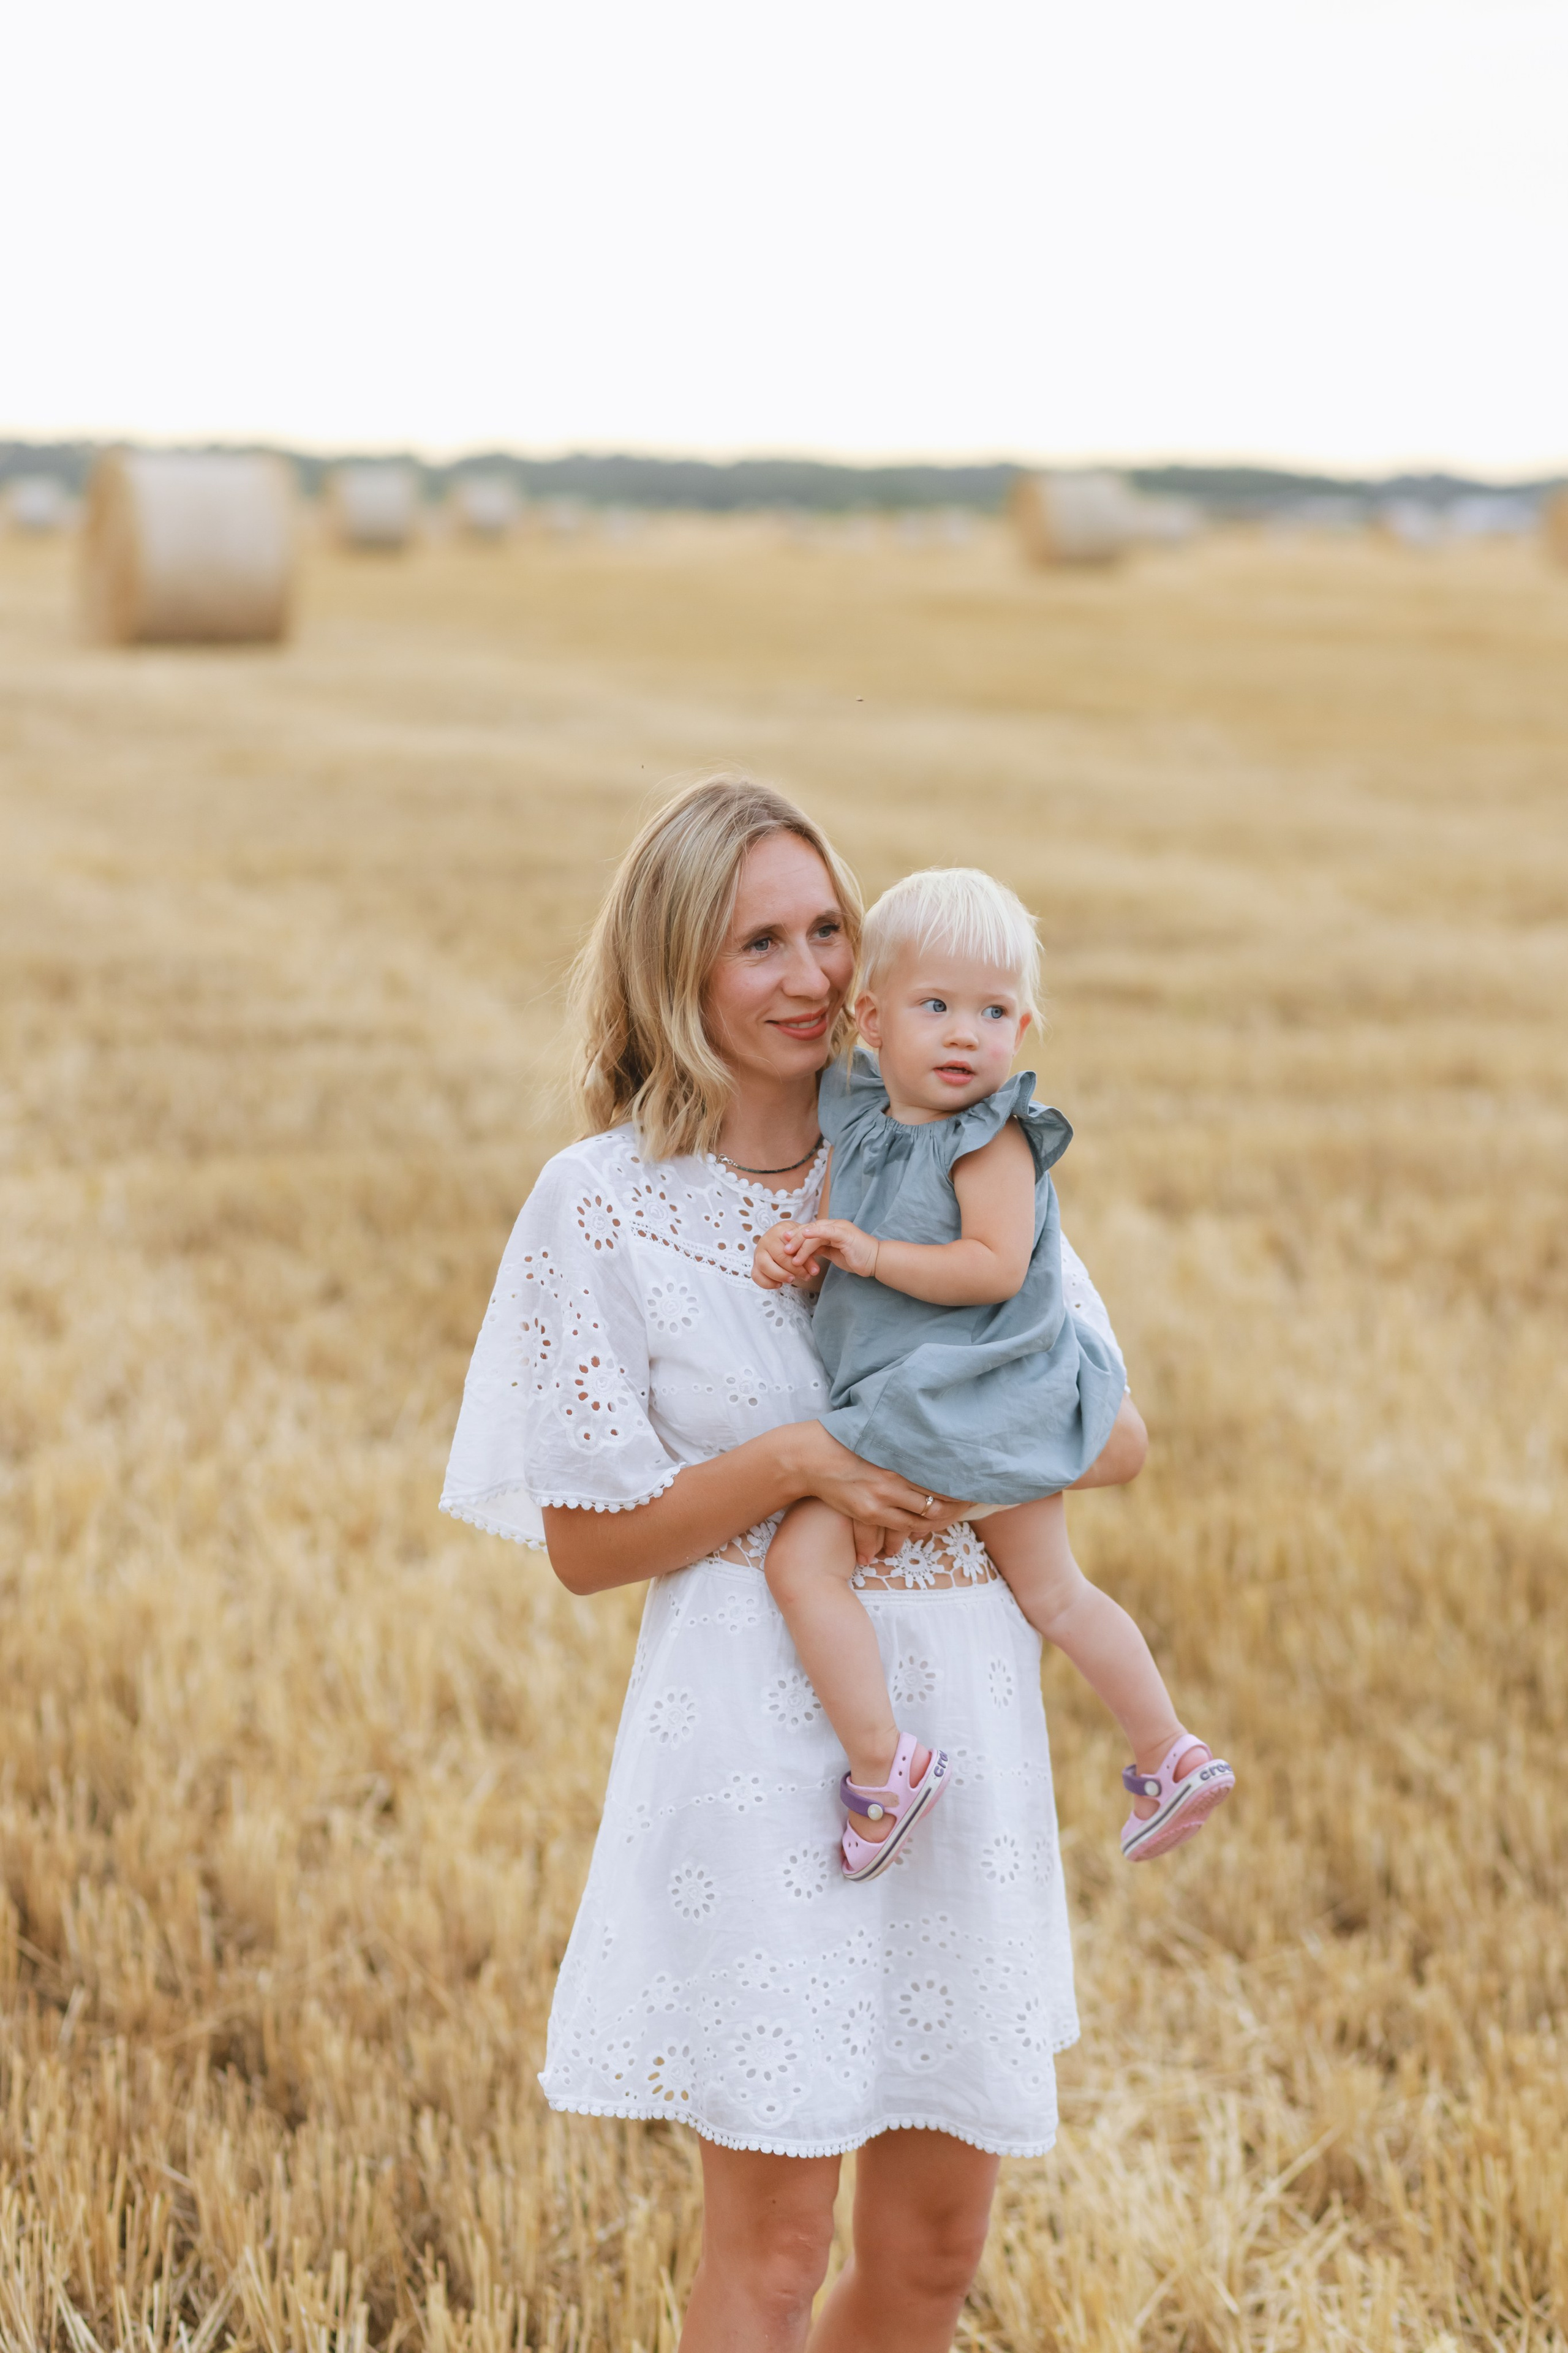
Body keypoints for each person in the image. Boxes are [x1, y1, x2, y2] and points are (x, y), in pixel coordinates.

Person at [441, 774, 1151, 2352]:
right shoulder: (604, 1204)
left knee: (935, 2254)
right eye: (758, 942)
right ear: (675, 973)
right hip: (760, 1739)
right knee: (769, 2258)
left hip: (957, 1717)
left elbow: (1113, 1435)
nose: (813, 973)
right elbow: (581, 1547)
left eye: (829, 927)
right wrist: (787, 1467)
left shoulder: (948, 1154)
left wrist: (911, 1450)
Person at [753, 867, 1234, 1878]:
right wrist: (803, 1253)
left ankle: (888, 1766)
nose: (967, 1033)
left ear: (1027, 1024)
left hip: (952, 1405)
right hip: (943, 1406)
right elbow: (849, 1254)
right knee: (1053, 1593)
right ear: (872, 1019)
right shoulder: (863, 1120)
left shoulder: (991, 1139)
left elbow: (993, 1267)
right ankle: (1167, 1753)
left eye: (995, 1011)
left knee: (804, 1562)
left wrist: (869, 1255)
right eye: (937, 1007)